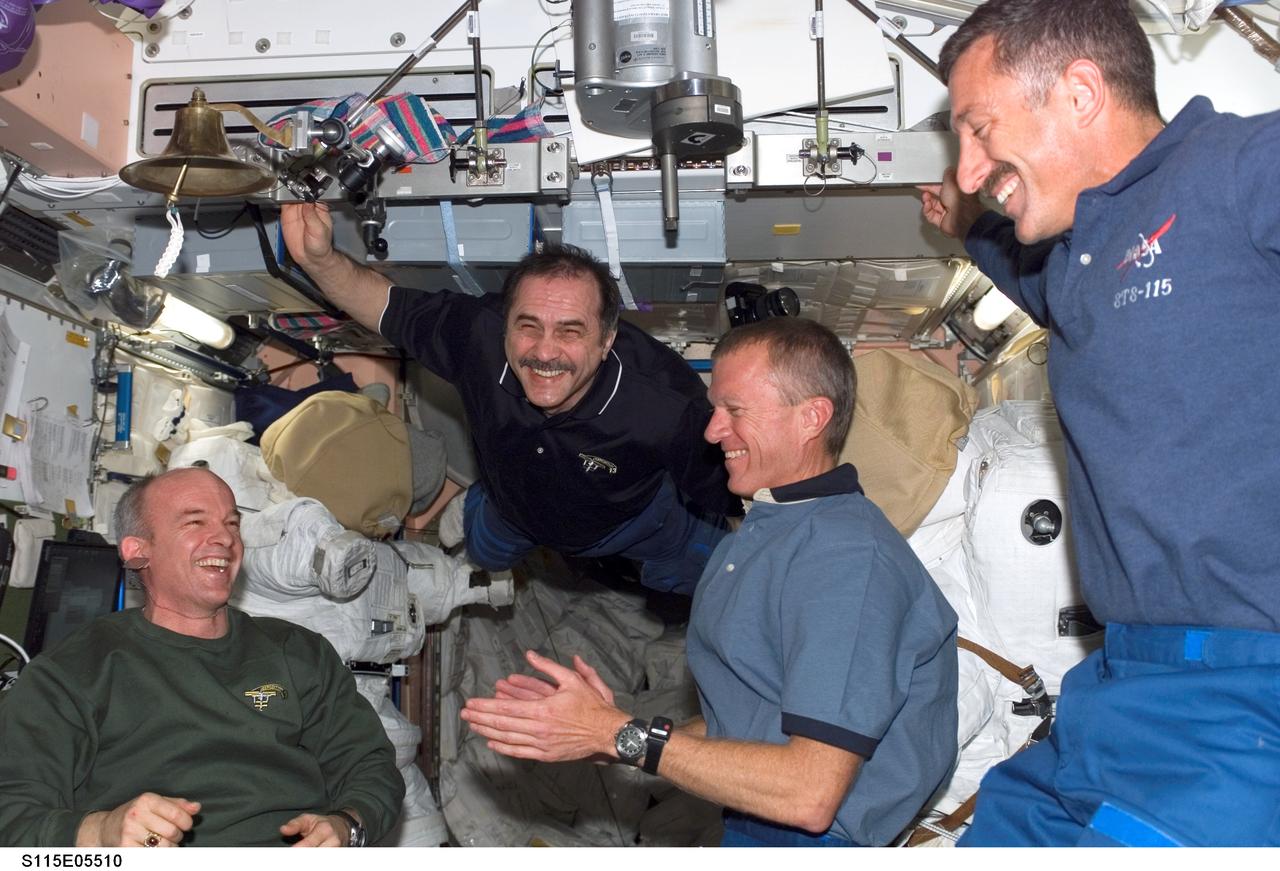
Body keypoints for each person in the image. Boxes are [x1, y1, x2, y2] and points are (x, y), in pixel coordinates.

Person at [919, 0, 1280, 847]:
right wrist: (970, 226)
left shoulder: (1239, 169)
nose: (970, 167)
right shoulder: (1078, 260)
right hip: (1116, 681)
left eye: (979, 130)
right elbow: (1031, 274)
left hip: (1243, 696)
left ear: (1080, 92)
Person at [460, 318, 958, 847]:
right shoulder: (771, 528)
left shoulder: (847, 562)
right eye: (715, 408)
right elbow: (748, 722)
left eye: (735, 410)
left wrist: (615, 735)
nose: (712, 430)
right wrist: (611, 731)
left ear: (812, 416)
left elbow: (809, 793)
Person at [282, 204, 740, 596]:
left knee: (708, 574)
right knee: (486, 552)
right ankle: (477, 506)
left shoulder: (667, 406)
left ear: (606, 341)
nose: (544, 352)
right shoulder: (478, 335)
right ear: (504, 324)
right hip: (511, 507)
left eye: (570, 331)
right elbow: (385, 306)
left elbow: (738, 489)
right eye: (528, 326)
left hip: (634, 522)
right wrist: (318, 259)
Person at [0, 468, 404, 847]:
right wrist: (100, 833)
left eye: (231, 524)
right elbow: (12, 818)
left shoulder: (297, 652)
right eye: (195, 522)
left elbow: (370, 766)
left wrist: (346, 825)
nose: (225, 538)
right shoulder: (70, 673)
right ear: (138, 551)